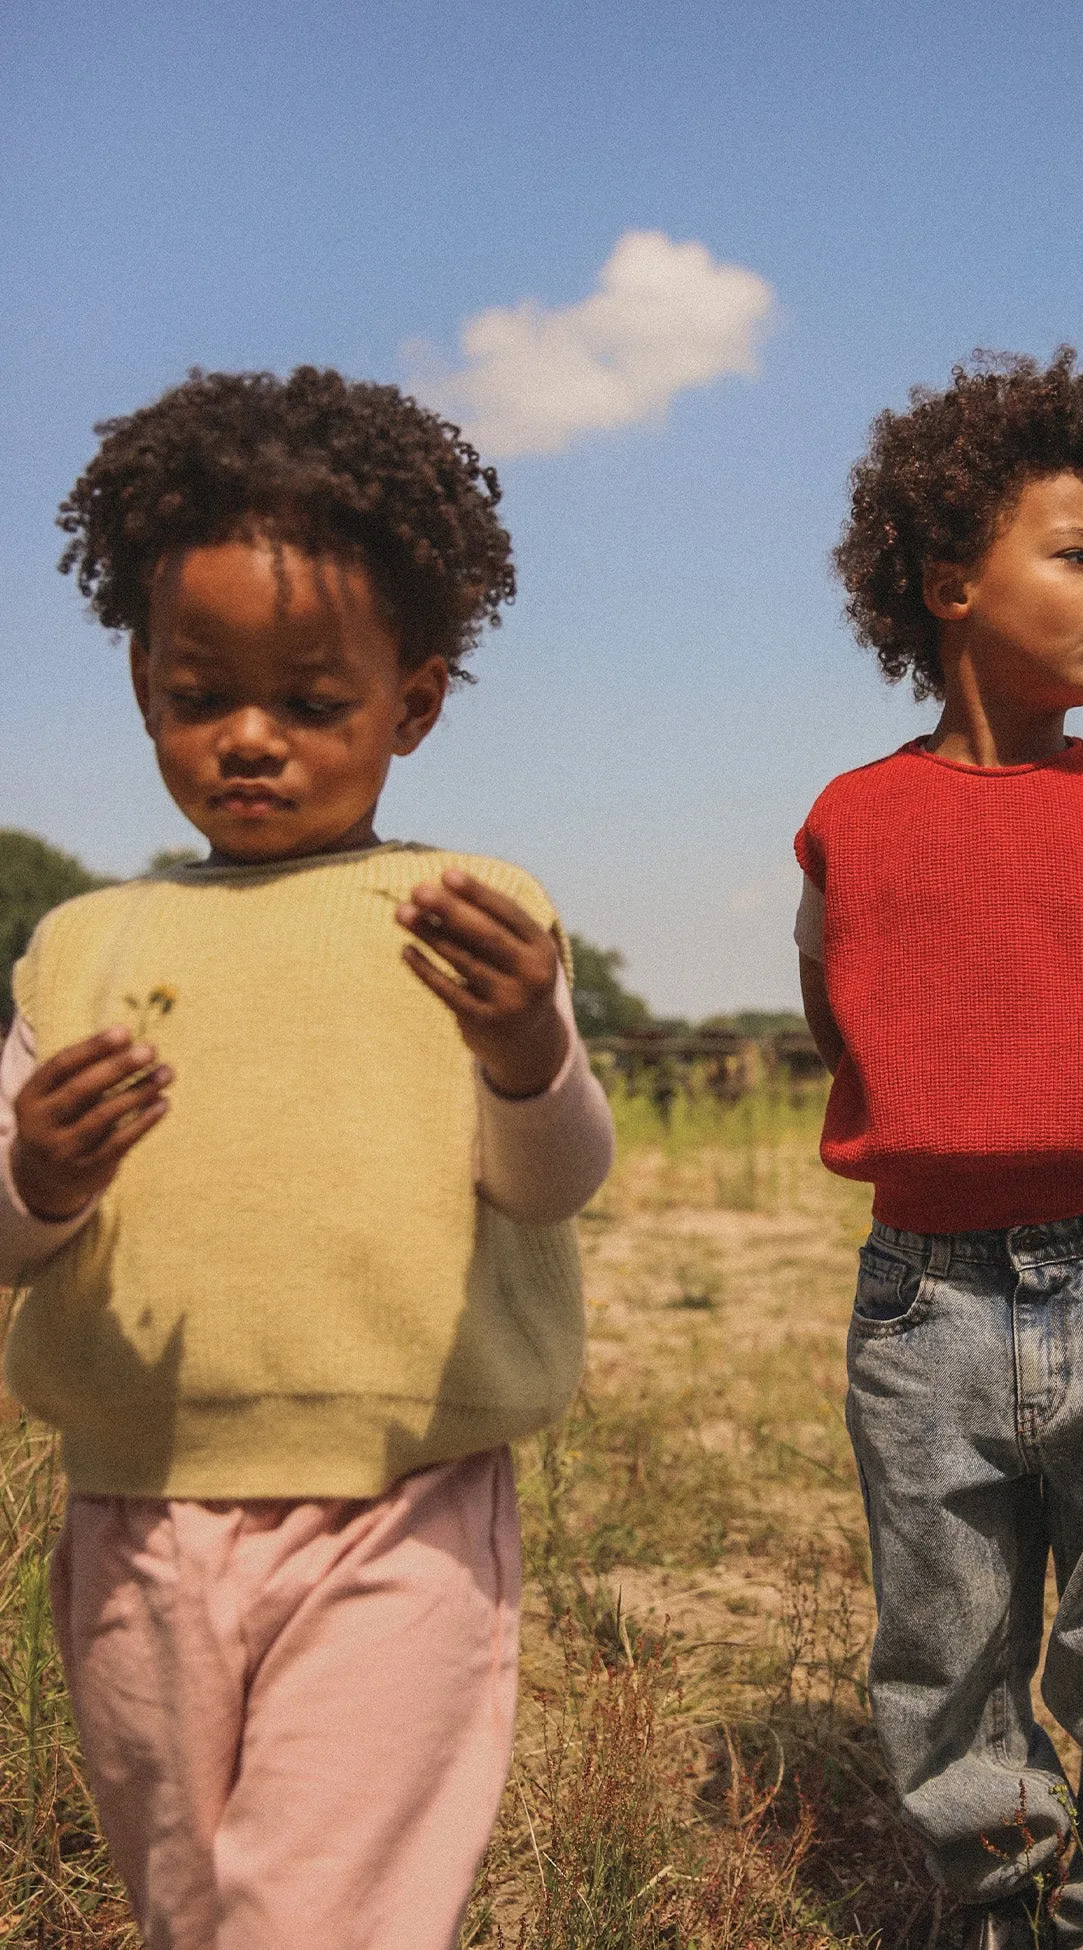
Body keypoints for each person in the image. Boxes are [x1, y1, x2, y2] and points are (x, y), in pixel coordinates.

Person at [0, 367, 615, 1950]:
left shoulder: (469, 914)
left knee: (314, 1916)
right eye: (204, 694)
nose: (251, 740)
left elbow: (553, 1181)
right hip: (136, 1513)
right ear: (144, 685)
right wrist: (38, 1178)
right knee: (193, 1900)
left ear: (412, 701)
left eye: (315, 702)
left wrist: (526, 1044)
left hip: (395, 1503)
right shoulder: (85, 943)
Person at [795, 351, 1083, 1950]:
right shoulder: (852, 819)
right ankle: (991, 1909)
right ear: (945, 587)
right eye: (1080, 555)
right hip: (925, 1308)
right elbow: (842, 1010)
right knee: (944, 1648)